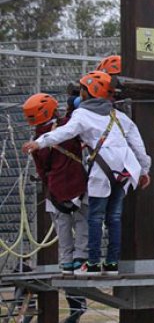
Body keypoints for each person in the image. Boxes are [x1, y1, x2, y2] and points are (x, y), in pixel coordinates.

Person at [22, 71, 151, 276]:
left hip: (102, 171)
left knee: (95, 217)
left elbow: (63, 132)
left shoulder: (81, 115)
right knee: (114, 217)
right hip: (126, 170)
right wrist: (144, 169)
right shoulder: (118, 115)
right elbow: (137, 143)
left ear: (87, 92)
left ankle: (91, 263)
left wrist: (38, 142)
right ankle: (111, 264)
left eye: (81, 89)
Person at [22, 93, 88, 275]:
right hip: (77, 181)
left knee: (62, 223)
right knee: (83, 218)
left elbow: (42, 170)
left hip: (55, 187)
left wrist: (50, 183)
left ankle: (66, 262)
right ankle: (81, 258)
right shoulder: (67, 125)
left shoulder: (36, 142)